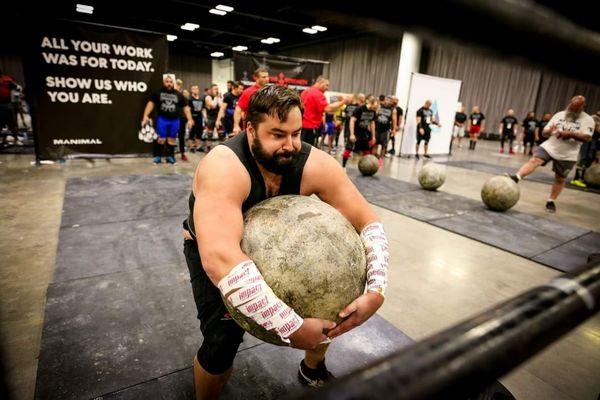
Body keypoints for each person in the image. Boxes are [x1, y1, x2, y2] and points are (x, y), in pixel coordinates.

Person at [182, 85, 388, 399]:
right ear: (250, 129)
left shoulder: (314, 164)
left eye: (296, 133)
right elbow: (220, 259)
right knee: (222, 341)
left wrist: (376, 289)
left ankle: (313, 367)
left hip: (281, 245)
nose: (289, 145)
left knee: (331, 294)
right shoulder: (224, 167)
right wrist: (290, 326)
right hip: (214, 252)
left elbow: (367, 221)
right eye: (276, 134)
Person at [508, 96, 594, 213]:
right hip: (550, 147)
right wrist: (548, 131)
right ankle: (517, 177)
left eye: (575, 109)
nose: (571, 110)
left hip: (568, 154)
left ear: (582, 107)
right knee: (535, 160)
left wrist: (570, 134)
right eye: (571, 107)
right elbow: (544, 133)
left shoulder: (588, 120)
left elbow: (587, 137)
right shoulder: (559, 115)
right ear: (569, 104)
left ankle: (551, 201)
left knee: (560, 178)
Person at [142, 75, 193, 164]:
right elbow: (151, 104)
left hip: (175, 120)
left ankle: (170, 157)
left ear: (173, 83)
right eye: (167, 82)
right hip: (163, 119)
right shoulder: (158, 93)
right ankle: (158, 157)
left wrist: (190, 119)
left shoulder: (178, 94)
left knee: (172, 139)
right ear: (163, 82)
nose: (169, 84)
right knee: (161, 139)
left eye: (170, 82)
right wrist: (145, 115)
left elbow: (186, 108)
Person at [300, 76, 348, 147]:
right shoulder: (318, 94)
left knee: (301, 148)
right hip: (310, 127)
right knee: (308, 150)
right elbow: (328, 109)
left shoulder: (305, 91)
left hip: (301, 126)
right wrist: (343, 102)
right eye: (326, 85)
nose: (327, 88)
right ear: (320, 83)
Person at [233, 67, 270, 136]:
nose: (267, 79)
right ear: (256, 78)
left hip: (266, 128)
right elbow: (238, 109)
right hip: (252, 129)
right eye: (264, 77)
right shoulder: (248, 92)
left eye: (267, 76)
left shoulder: (269, 92)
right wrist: (236, 125)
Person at [342, 97, 377, 167]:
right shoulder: (360, 109)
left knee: (366, 149)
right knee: (349, 148)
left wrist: (373, 136)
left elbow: (372, 124)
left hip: (363, 132)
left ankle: (368, 167)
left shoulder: (373, 111)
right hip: (354, 131)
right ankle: (343, 166)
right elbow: (352, 121)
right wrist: (352, 134)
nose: (376, 108)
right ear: (370, 103)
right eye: (375, 106)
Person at [571, 110, 600, 187]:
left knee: (589, 159)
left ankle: (580, 178)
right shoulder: (594, 118)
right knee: (584, 159)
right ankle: (577, 179)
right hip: (588, 141)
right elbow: (597, 129)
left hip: (594, 141)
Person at [374, 95, 397, 166]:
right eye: (387, 100)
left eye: (389, 100)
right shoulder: (380, 106)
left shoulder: (393, 109)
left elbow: (394, 120)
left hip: (385, 129)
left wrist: (394, 129)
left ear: (391, 102)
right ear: (384, 100)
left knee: (383, 146)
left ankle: (381, 159)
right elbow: (375, 115)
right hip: (377, 128)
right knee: (375, 143)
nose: (388, 101)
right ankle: (373, 158)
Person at [202, 84, 220, 152]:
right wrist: (216, 97)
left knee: (221, 134)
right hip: (211, 117)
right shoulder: (208, 97)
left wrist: (219, 98)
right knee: (209, 134)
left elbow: (221, 106)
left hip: (218, 117)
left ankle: (221, 149)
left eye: (217, 89)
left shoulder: (219, 97)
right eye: (215, 89)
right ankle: (208, 149)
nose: (217, 90)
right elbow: (213, 106)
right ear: (211, 90)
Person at [188, 85, 205, 154]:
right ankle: (191, 147)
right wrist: (190, 119)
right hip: (192, 117)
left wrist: (204, 117)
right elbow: (188, 109)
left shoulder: (201, 98)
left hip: (199, 118)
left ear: (198, 90)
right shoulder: (189, 99)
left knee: (199, 132)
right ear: (191, 90)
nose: (195, 90)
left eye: (196, 89)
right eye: (193, 89)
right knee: (192, 132)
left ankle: (198, 146)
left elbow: (203, 109)